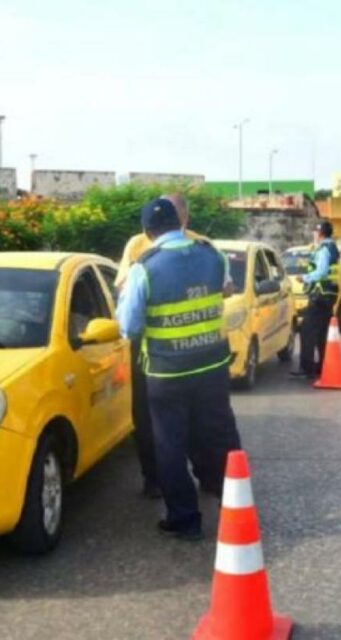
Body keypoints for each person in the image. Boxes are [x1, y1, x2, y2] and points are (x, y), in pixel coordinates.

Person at [116, 198, 241, 541]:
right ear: (182, 221)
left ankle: (185, 520)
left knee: (169, 444)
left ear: (147, 232)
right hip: (213, 364)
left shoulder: (144, 267)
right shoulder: (211, 254)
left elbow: (128, 326)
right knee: (220, 432)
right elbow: (227, 289)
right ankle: (234, 496)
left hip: (167, 372)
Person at [290, 220, 340, 380]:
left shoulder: (324, 250)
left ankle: (307, 368)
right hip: (328, 294)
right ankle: (323, 365)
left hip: (320, 294)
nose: (313, 234)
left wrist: (305, 278)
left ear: (320, 233)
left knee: (307, 330)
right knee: (322, 333)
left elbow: (322, 272)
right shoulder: (331, 247)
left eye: (315, 231)